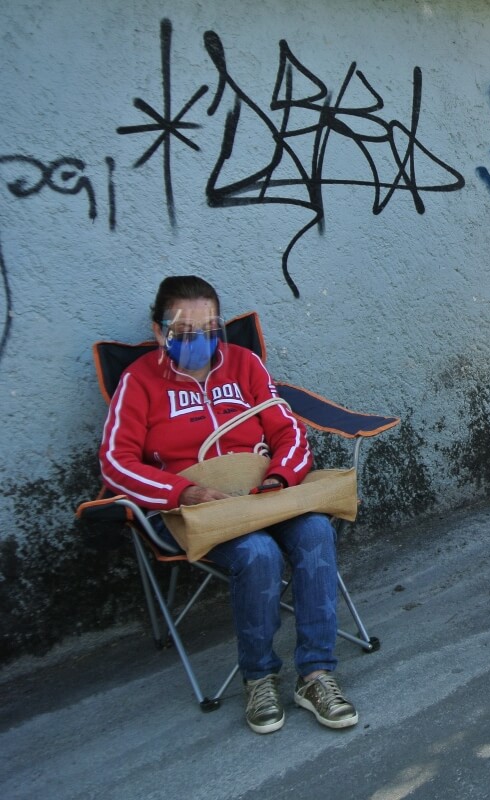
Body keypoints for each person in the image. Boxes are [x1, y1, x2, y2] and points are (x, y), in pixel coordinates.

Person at [99, 276, 358, 734]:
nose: (199, 340)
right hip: (196, 509)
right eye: (183, 331)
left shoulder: (245, 365)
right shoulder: (139, 381)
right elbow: (116, 464)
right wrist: (184, 493)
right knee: (257, 553)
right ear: (159, 332)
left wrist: (281, 477)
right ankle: (259, 677)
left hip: (266, 495)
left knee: (316, 530)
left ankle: (317, 674)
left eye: (210, 327)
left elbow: (288, 432)